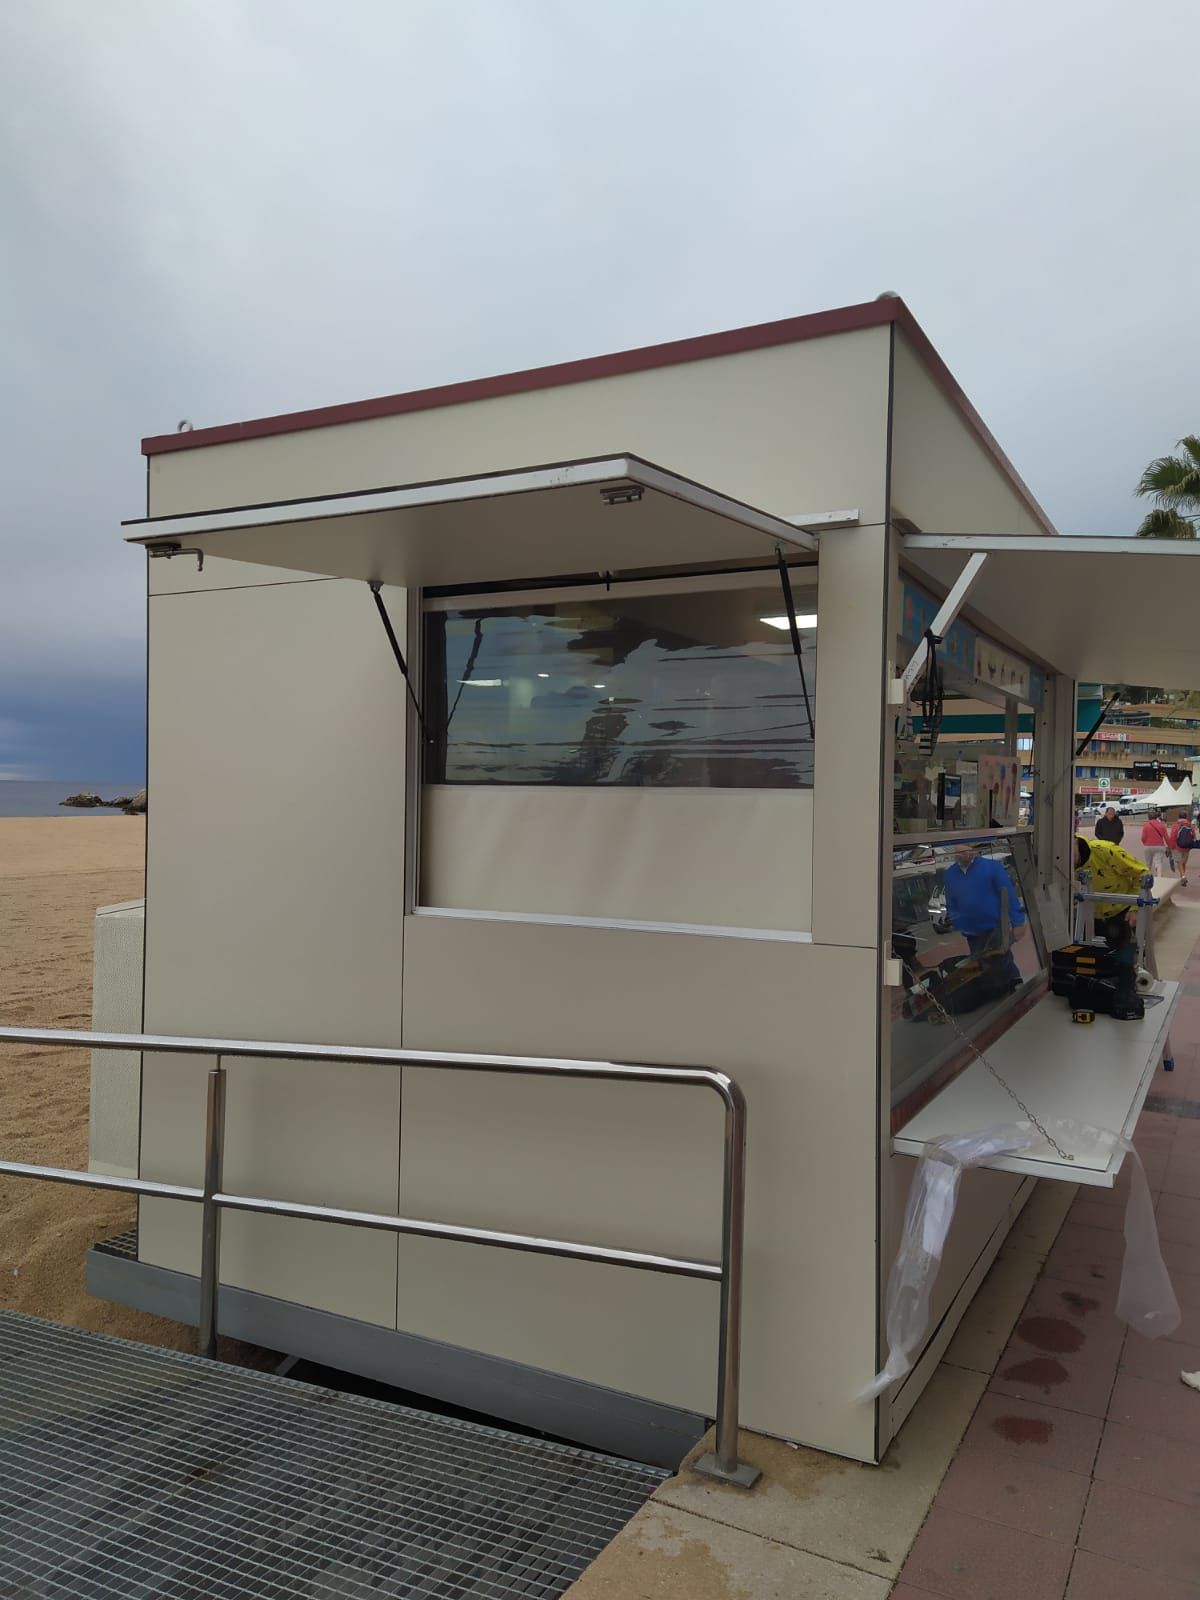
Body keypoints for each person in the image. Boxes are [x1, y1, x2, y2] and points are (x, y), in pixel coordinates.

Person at [942, 843, 1027, 987]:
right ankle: (995, 990)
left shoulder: (992, 867)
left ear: (973, 849)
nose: (962, 853)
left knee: (1002, 960)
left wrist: (1018, 922)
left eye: (965, 849)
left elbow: (1008, 896)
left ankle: (1013, 985)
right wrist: (957, 920)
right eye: (958, 850)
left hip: (995, 928)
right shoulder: (950, 873)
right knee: (981, 965)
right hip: (971, 931)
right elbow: (951, 900)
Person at [1141, 807, 1172, 877]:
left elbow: (1143, 838)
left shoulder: (1146, 825)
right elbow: (1166, 838)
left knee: (1148, 864)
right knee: (1158, 863)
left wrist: (1145, 844)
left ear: (1148, 816)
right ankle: (1159, 878)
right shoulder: (1161, 825)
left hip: (1148, 846)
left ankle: (1148, 879)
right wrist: (1169, 847)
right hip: (1159, 846)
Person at [1170, 810, 1195, 887]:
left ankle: (1183, 876)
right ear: (1186, 817)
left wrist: (1171, 847)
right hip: (1187, 847)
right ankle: (1182, 877)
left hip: (1177, 847)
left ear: (1179, 817)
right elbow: (1193, 835)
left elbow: (1173, 836)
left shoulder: (1175, 825)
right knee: (1183, 863)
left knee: (1179, 862)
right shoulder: (1190, 825)